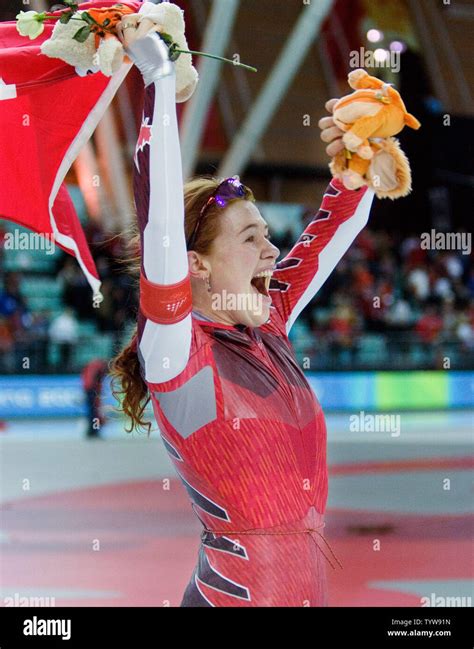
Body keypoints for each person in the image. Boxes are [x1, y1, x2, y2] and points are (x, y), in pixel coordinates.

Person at [111, 16, 375, 607]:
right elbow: (159, 225)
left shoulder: (268, 322)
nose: (273, 250)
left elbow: (332, 230)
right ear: (195, 265)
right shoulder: (177, 345)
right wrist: (156, 79)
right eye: (251, 238)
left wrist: (362, 161)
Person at [81, 357, 108, 439]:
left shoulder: (92, 364)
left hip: (88, 389)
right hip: (93, 390)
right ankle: (95, 430)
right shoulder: (99, 366)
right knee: (95, 412)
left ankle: (91, 430)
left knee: (91, 412)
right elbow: (93, 379)